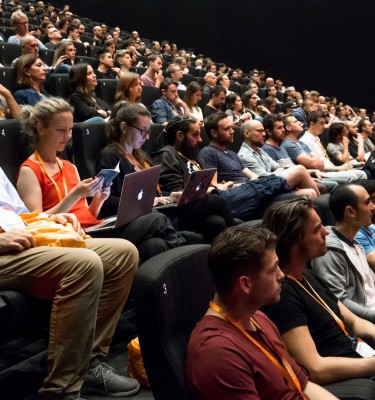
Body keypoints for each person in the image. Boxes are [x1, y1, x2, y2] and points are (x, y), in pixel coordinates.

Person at [0, 166, 140, 399]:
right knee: (84, 263)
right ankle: (62, 388)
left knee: (123, 254)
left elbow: (16, 213)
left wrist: (45, 219)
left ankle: (88, 365)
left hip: (21, 236)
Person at [16, 97, 178, 262]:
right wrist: (74, 194)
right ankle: (182, 252)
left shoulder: (68, 166)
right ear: (41, 128)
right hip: (71, 235)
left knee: (154, 245)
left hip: (93, 226)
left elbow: (88, 213)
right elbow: (36, 223)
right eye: (61, 130)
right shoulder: (29, 171)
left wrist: (99, 200)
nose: (67, 136)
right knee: (156, 217)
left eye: (70, 130)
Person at [185, 225, 338, 400]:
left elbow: (304, 385)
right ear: (245, 284)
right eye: (273, 269)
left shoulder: (258, 317)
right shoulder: (217, 354)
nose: (281, 275)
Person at [263, 197, 375, 385]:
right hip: (348, 380)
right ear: (295, 241)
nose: (325, 232)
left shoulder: (308, 276)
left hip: (362, 358)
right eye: (316, 230)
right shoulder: (282, 295)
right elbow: (315, 369)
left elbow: (354, 321)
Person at [152, 115, 237, 241]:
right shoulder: (167, 155)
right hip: (179, 210)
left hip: (197, 208)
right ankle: (242, 237)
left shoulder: (193, 156)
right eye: (195, 135)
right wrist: (210, 190)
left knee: (216, 223)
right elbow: (174, 192)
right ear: (180, 136)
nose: (200, 139)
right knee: (217, 200)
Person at [199, 112, 292, 221]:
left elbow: (253, 177)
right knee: (287, 177)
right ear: (214, 133)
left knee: (296, 197)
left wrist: (258, 181)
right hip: (237, 193)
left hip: (250, 188)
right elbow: (213, 186)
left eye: (232, 127)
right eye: (227, 129)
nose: (232, 131)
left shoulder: (232, 154)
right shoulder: (208, 152)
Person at [310, 184, 375, 323]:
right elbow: (339, 302)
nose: (373, 207)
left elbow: (370, 282)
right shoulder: (328, 251)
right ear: (350, 211)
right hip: (363, 324)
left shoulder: (355, 243)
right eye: (367, 202)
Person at [238, 119, 319, 198]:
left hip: (275, 183)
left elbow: (279, 167)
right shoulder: (245, 155)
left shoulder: (260, 150)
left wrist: (277, 171)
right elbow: (264, 179)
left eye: (263, 131)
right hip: (266, 192)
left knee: (313, 190)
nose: (264, 134)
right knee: (301, 172)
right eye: (259, 131)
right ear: (247, 133)